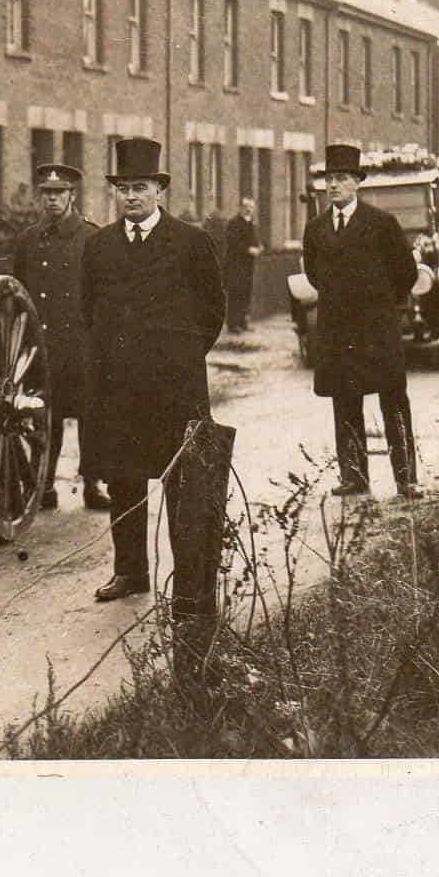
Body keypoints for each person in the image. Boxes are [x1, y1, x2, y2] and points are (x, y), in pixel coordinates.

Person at [80, 136, 225, 603]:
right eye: (123, 188)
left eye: (140, 187)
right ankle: (130, 572)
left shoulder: (190, 242)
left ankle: (188, 577)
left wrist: (179, 354)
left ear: (159, 190)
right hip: (119, 384)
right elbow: (89, 310)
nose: (131, 197)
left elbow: (212, 310)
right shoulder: (99, 245)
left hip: (175, 383)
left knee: (183, 479)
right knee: (124, 478)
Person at [300, 143, 420, 500]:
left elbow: (406, 273)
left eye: (340, 179)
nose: (333, 186)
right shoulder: (316, 228)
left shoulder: (381, 224)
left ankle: (406, 478)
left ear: (356, 183)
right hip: (338, 331)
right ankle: (354, 476)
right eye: (328, 179)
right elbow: (314, 275)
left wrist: (379, 306)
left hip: (377, 330)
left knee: (393, 402)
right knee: (345, 401)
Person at [12, 163, 108, 513]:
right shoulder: (28, 239)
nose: (52, 200)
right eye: (47, 194)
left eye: (59, 193)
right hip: (42, 343)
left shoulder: (92, 237)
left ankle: (92, 485)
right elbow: (18, 288)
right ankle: (45, 484)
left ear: (72, 196)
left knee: (89, 415)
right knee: (43, 416)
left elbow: (104, 294)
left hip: (82, 343)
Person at [223, 199, 262, 333]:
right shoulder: (234, 223)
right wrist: (248, 250)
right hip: (236, 265)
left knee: (246, 293)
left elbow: (255, 240)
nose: (248, 209)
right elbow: (233, 242)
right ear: (240, 207)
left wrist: (258, 247)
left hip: (248, 266)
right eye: (246, 206)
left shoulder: (252, 224)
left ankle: (243, 322)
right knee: (235, 293)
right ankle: (233, 324)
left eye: (251, 206)